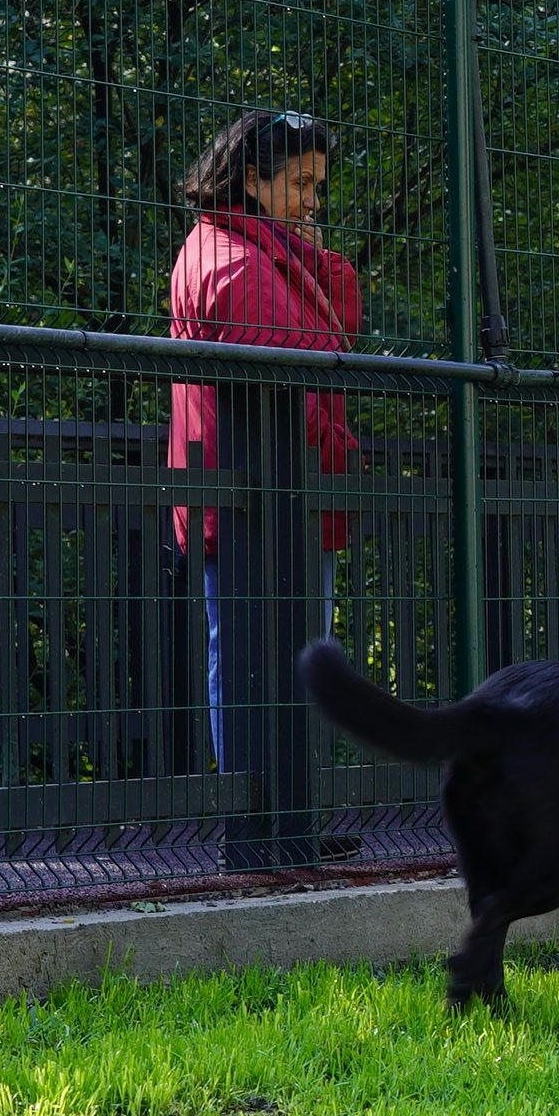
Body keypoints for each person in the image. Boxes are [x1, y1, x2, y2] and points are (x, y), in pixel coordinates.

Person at [166, 108, 360, 770]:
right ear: (253, 179)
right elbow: (288, 392)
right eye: (302, 182)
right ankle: (271, 823)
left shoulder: (237, 250)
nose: (313, 198)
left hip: (246, 489)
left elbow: (333, 332)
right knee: (281, 659)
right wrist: (341, 454)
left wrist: (312, 248)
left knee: (256, 655)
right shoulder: (242, 268)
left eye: (318, 185)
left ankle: (275, 817)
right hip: (270, 490)